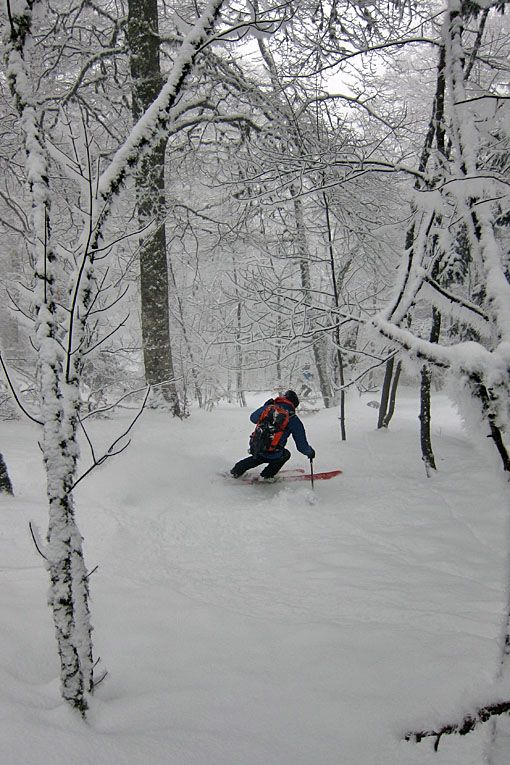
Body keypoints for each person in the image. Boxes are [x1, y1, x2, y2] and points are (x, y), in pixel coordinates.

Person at [230, 390, 315, 480]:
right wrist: (310, 452)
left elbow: (253, 418)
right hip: (273, 451)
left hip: (256, 445)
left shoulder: (269, 408)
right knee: (285, 454)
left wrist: (265, 406)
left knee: (259, 456)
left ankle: (236, 470)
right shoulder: (293, 419)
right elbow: (301, 446)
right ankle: (266, 476)